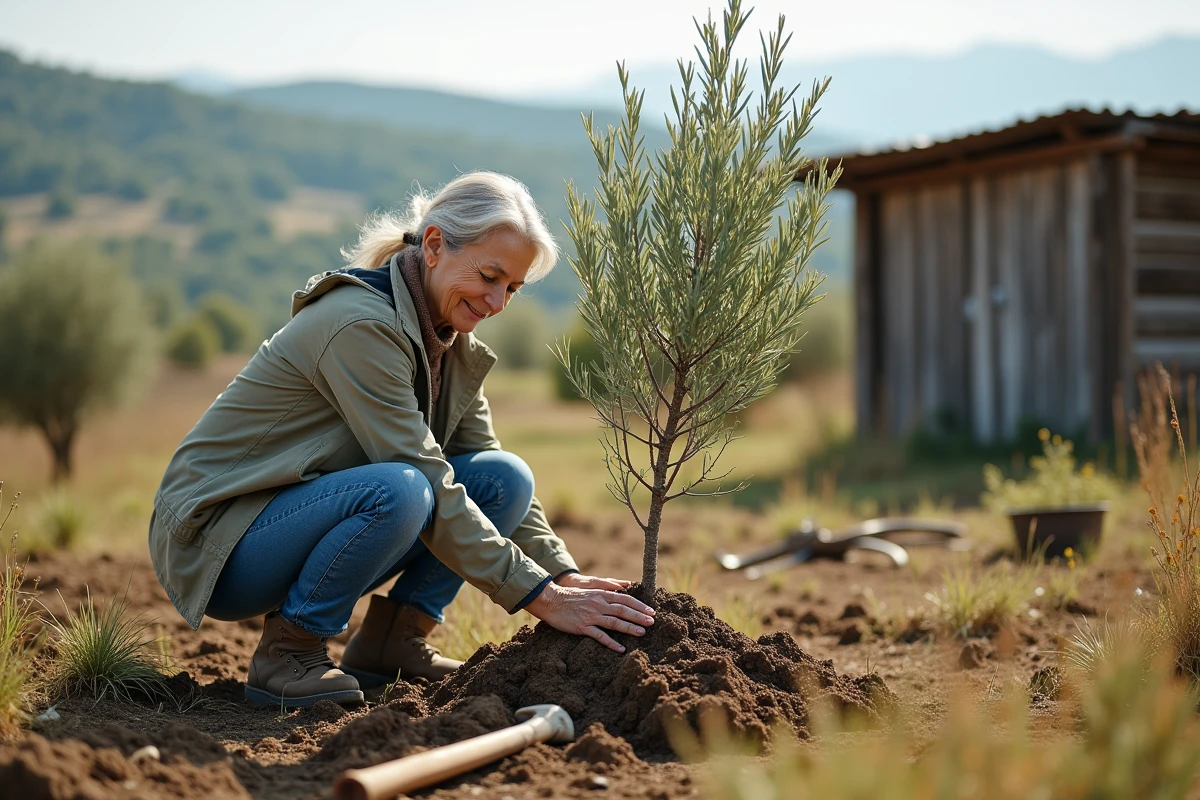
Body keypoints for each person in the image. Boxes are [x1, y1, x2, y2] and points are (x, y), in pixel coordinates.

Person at [149, 172, 656, 708]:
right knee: (403, 489)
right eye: (489, 275)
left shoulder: (447, 340)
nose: (498, 301)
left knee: (503, 477)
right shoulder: (359, 325)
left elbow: (481, 466)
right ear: (434, 245)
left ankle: (393, 643)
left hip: (293, 516)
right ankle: (288, 653)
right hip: (218, 538)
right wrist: (539, 596)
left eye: (512, 287)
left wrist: (562, 575)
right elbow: (425, 477)